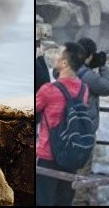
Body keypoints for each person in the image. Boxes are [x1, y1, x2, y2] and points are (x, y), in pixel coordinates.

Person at [36, 42, 90, 206]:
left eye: (59, 54)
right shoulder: (84, 89)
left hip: (48, 156)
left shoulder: (48, 90)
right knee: (64, 201)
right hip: (71, 154)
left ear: (64, 63)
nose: (56, 57)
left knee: (43, 201)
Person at [68, 38, 109, 206]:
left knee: (65, 172)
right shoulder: (85, 75)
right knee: (82, 172)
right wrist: (102, 65)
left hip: (64, 130)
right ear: (87, 56)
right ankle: (79, 202)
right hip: (83, 133)